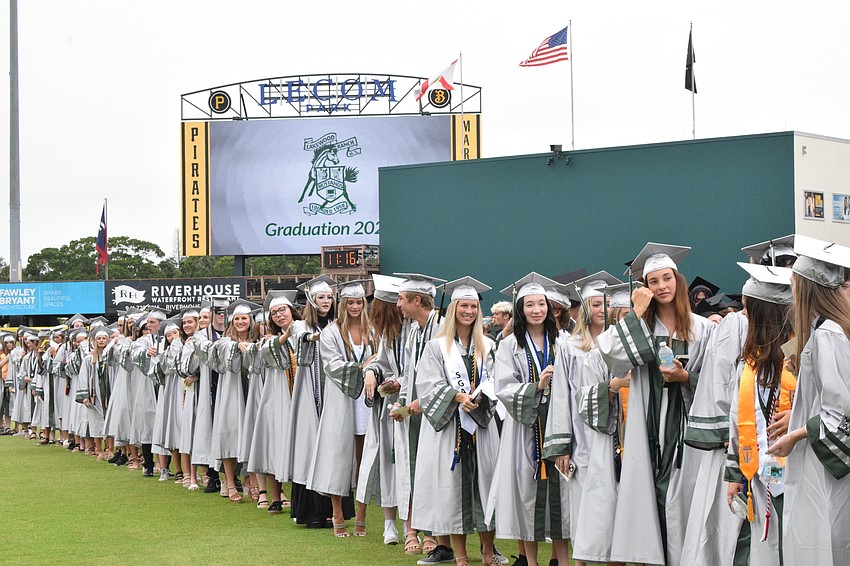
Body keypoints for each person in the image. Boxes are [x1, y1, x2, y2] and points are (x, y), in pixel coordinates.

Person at [595, 243, 714, 566]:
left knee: (683, 499)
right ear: (644, 288)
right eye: (653, 282)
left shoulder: (702, 329)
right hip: (647, 426)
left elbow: (718, 380)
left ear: (678, 281)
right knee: (648, 495)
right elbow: (611, 353)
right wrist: (635, 311)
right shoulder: (642, 328)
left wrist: (685, 377)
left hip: (687, 429)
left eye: (667, 279)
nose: (662, 286)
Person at [766, 235, 850, 565]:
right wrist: (797, 418)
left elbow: (839, 411)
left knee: (826, 536)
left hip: (826, 464)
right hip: (820, 454)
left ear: (808, 287)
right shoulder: (826, 329)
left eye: (795, 283)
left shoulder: (829, 336)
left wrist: (795, 435)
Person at [413, 277, 500, 566]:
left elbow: (498, 381)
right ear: (453, 310)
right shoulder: (436, 347)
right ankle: (460, 555)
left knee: (486, 488)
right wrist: (456, 396)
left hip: (482, 427)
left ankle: (488, 553)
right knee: (453, 491)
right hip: (451, 429)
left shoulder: (488, 345)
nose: (469, 311)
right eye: (464, 305)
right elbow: (427, 386)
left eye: (474, 306)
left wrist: (482, 398)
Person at [493, 272, 570, 566]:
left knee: (561, 495)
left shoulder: (563, 341)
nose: (537, 310)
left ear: (549, 309)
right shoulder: (509, 345)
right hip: (524, 427)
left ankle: (562, 561)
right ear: (520, 310)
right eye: (530, 305)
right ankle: (531, 561)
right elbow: (504, 386)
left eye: (542, 304)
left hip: (559, 426)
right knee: (526, 493)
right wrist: (536, 386)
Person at [723, 263, 795, 565]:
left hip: (797, 469)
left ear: (763, 314)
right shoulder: (749, 363)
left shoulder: (799, 357)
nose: (743, 315)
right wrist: (734, 474)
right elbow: (738, 422)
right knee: (764, 543)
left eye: (746, 308)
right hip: (760, 471)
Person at [551, 271, 622, 566]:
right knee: (584, 504)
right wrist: (562, 446)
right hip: (582, 437)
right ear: (584, 308)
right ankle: (581, 561)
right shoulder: (569, 346)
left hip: (617, 434)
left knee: (615, 504)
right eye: (595, 304)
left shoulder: (621, 343)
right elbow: (561, 397)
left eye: (606, 303)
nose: (602, 310)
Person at [308, 279, 374, 538]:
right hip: (341, 399)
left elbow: (380, 358)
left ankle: (361, 515)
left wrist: (372, 367)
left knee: (364, 459)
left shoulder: (373, 331)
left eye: (359, 302)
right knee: (339, 456)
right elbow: (332, 366)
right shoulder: (331, 333)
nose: (355, 307)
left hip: (367, 401)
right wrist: (361, 367)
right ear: (342, 305)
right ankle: (337, 513)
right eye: (350, 303)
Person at [391, 273, 446, 559]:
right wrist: (403, 401)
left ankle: (431, 533)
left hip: (438, 412)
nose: (398, 304)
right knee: (413, 469)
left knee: (432, 472)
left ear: (416, 300)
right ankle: (414, 528)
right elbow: (410, 372)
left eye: (401, 299)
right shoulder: (413, 330)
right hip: (413, 410)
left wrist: (422, 401)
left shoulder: (442, 328)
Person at [288, 275, 350, 528]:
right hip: (311, 396)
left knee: (334, 447)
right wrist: (319, 338)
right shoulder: (302, 326)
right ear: (312, 301)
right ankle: (311, 512)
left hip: (334, 394)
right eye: (320, 298)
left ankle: (334, 510)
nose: (325, 301)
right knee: (310, 446)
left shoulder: (339, 325)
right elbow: (300, 340)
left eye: (328, 297)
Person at [360, 275, 405, 545]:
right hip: (390, 406)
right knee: (389, 464)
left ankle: (415, 527)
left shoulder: (414, 332)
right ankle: (390, 524)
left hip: (410, 404)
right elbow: (380, 361)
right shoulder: (386, 335)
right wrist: (370, 371)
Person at [247, 291, 300, 512]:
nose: (279, 315)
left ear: (292, 311)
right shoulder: (269, 341)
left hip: (303, 395)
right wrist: (288, 334)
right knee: (274, 443)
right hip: (278, 396)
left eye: (283, 310)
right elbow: (269, 356)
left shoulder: (305, 333)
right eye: (275, 313)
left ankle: (301, 498)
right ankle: (275, 496)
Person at [210, 298, 261, 502]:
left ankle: (251, 481)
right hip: (231, 392)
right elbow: (222, 356)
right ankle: (230, 483)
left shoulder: (258, 340)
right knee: (229, 435)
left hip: (251, 391)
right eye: (237, 318)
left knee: (250, 436)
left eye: (244, 318)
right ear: (232, 321)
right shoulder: (224, 341)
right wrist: (238, 345)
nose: (241, 322)